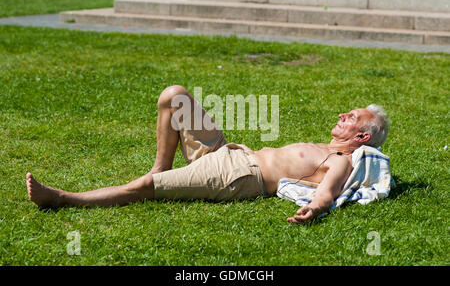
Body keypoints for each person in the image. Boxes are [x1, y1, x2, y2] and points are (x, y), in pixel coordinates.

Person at [26, 85, 389, 224]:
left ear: (360, 136)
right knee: (174, 96)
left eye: (351, 117)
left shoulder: (342, 159)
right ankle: (162, 167)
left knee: (145, 186)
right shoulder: (325, 147)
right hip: (232, 153)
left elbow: (328, 190)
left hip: (239, 177)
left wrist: (315, 208)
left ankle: (61, 199)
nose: (343, 115)